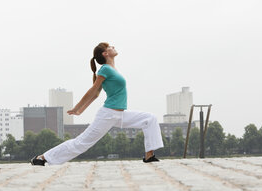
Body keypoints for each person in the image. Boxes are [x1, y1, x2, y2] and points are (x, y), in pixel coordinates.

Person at [30, 42, 163, 166]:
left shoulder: (112, 69)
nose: (113, 46)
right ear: (105, 54)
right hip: (108, 114)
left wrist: (81, 110)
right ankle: (43, 157)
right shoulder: (105, 69)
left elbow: (96, 95)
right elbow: (93, 91)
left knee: (149, 118)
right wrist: (77, 108)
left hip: (120, 113)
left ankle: (149, 156)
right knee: (81, 143)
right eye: (110, 46)